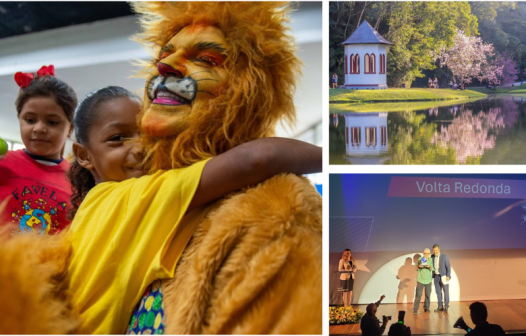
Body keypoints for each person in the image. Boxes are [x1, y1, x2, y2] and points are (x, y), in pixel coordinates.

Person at [65, 86, 323, 334]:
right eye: (117, 138)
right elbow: (256, 159)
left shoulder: (102, 206)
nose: (141, 147)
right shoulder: (124, 198)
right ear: (84, 155)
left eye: (147, 134)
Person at [0, 65, 77, 235]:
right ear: (19, 119)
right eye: (30, 120)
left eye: (52, 122)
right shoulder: (3, 162)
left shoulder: (77, 180)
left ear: (70, 128)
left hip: (49, 260)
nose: (39, 128)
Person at [431, 244, 451, 313]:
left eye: (436, 250)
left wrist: (448, 275)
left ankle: (446, 306)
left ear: (439, 250)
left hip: (444, 276)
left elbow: (448, 267)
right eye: (434, 250)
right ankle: (440, 306)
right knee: (438, 292)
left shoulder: (444, 257)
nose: (435, 251)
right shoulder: (432, 257)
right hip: (436, 276)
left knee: (446, 292)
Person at [413, 248, 434, 314]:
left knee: (428, 294)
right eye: (425, 253)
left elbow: (432, 268)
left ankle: (426, 308)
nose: (426, 254)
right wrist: (419, 266)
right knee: (418, 295)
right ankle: (415, 310)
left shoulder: (430, 259)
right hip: (420, 279)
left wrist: (429, 266)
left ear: (429, 254)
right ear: (423, 253)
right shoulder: (420, 259)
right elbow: (416, 268)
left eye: (428, 253)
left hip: (428, 280)